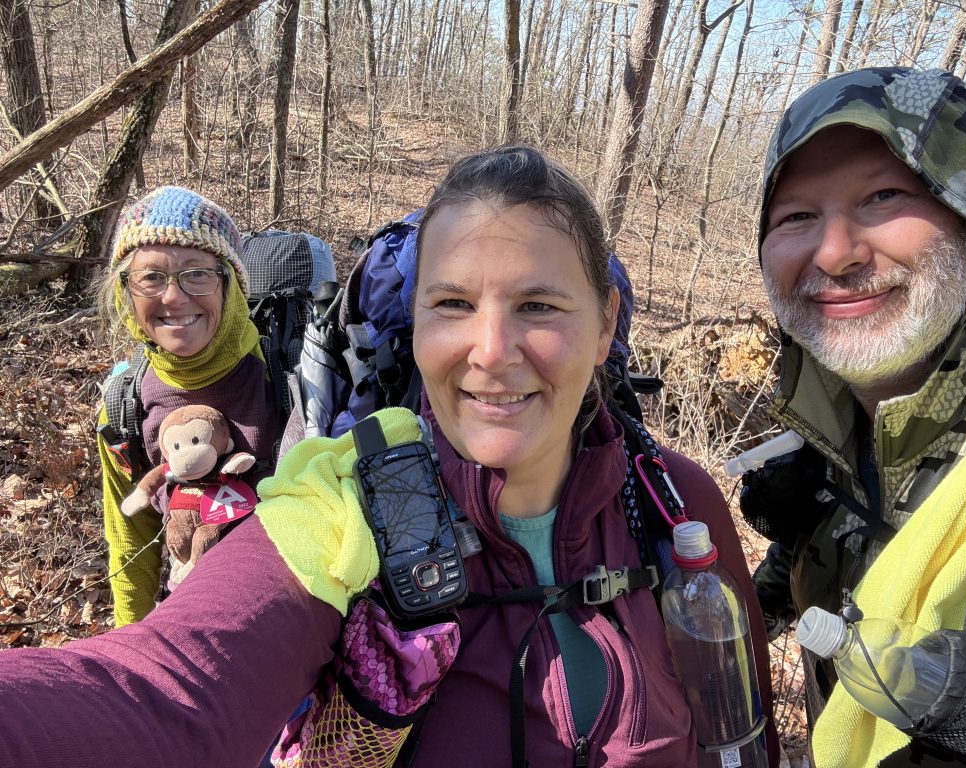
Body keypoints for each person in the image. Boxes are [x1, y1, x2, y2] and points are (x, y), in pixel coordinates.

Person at [0, 147, 778, 767]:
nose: (492, 351)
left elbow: (746, 741)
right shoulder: (343, 506)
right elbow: (168, 699)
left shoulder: (675, 505)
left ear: (606, 324)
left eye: (538, 305)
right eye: (452, 304)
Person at [744, 67, 966, 766]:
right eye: (796, 216)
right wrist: (774, 584)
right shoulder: (837, 421)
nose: (835, 253)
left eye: (883, 197)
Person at [95, 186, 282, 626]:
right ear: (127, 290)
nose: (174, 297)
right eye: (151, 277)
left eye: (196, 273)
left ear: (230, 284)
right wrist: (130, 647)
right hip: (193, 621)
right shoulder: (123, 407)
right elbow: (129, 542)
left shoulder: (287, 378)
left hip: (291, 629)